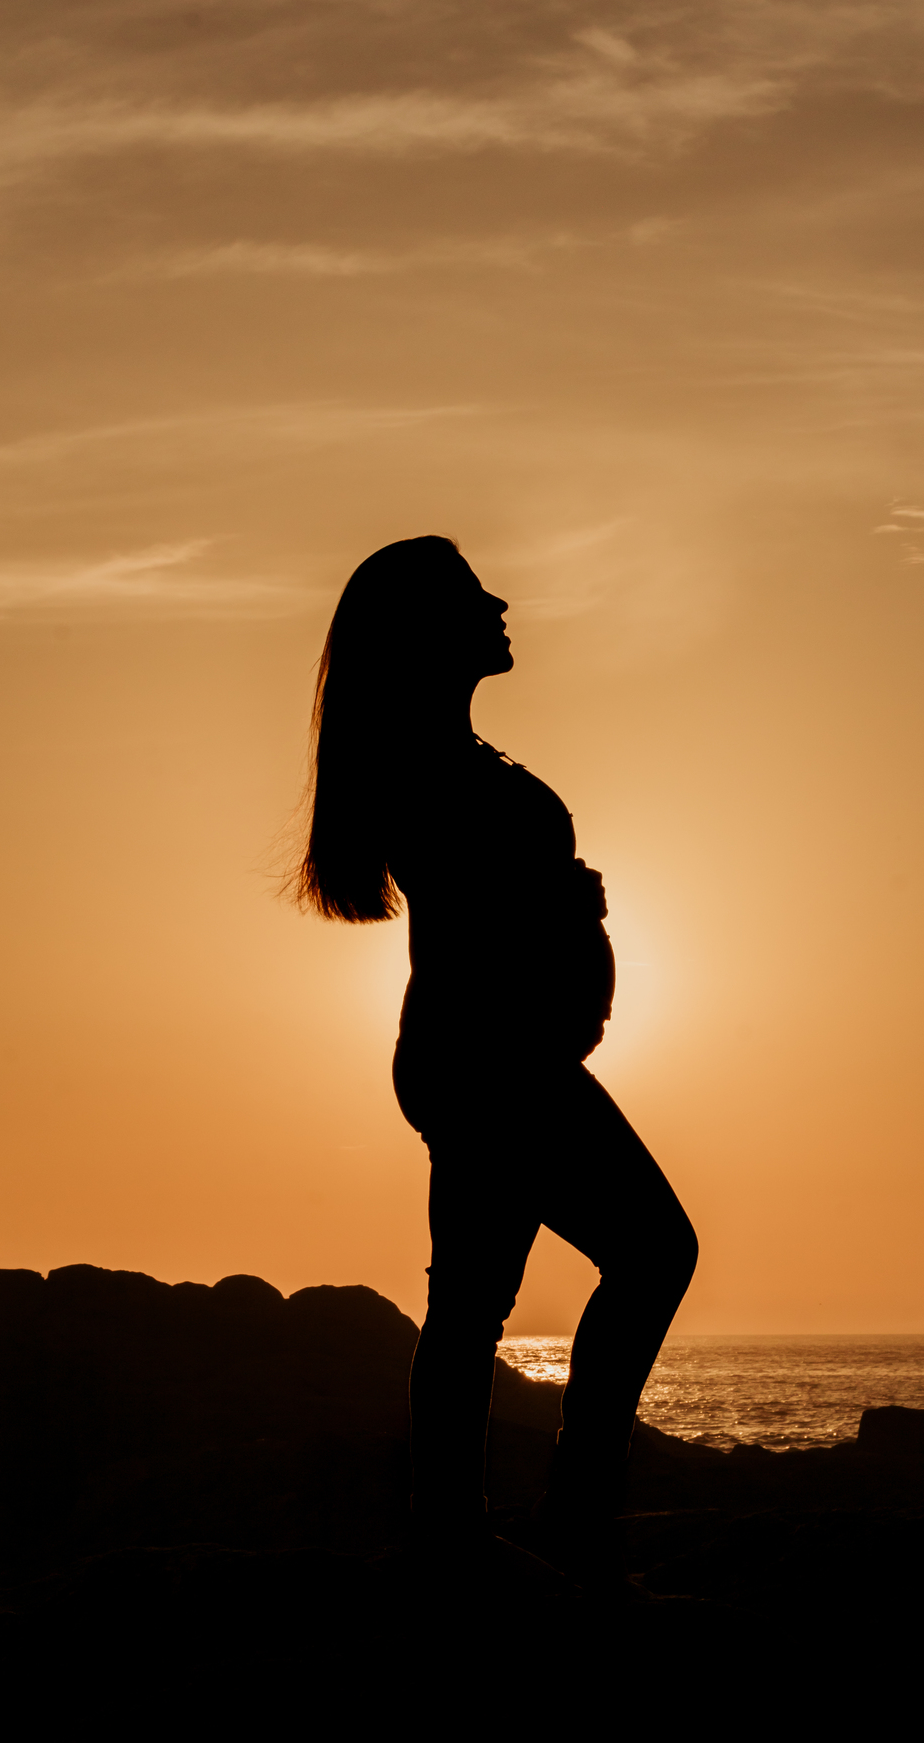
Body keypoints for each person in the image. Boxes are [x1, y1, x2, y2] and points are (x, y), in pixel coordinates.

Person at [296, 535, 697, 1581]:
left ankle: (469, 1525)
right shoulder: (428, 770)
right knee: (646, 1254)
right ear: (430, 632)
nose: (502, 603)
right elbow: (481, 916)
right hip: (491, 1062)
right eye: (476, 595)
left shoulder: (458, 764)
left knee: (476, 1300)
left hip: (492, 1058)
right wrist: (563, 902)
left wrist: (567, 907)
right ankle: (548, 1515)